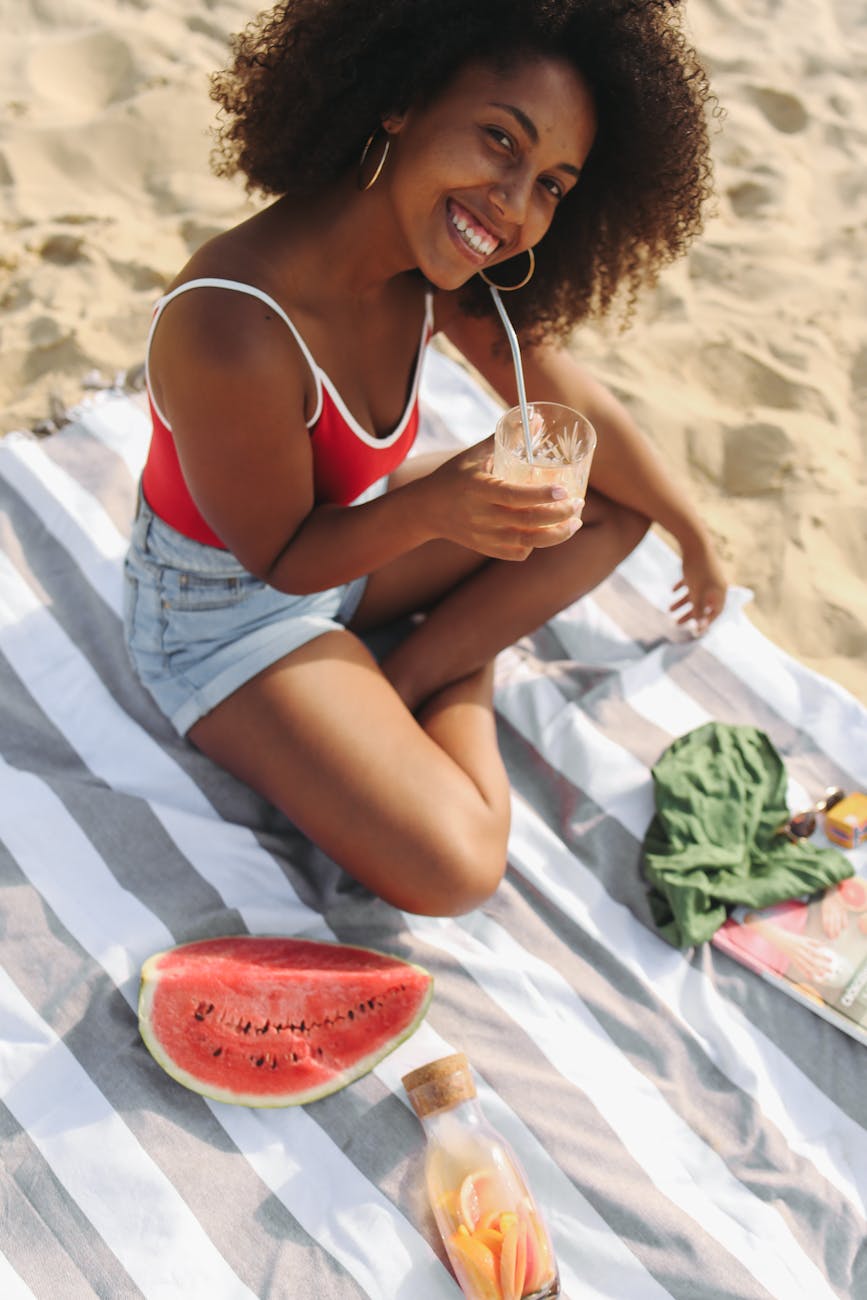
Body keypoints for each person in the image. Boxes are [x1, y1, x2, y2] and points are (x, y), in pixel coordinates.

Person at [123, 0, 727, 916]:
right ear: (400, 98)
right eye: (498, 140)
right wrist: (434, 509)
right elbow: (279, 563)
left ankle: (410, 675)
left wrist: (690, 530)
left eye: (553, 185)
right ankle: (458, 663)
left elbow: (569, 404)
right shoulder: (232, 325)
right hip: (222, 614)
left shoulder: (431, 260)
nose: (516, 205)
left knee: (606, 505)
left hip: (352, 548)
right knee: (456, 867)